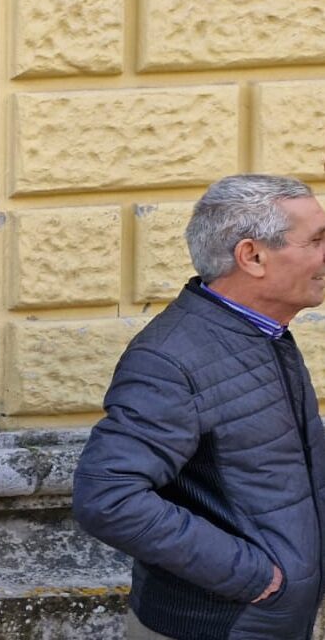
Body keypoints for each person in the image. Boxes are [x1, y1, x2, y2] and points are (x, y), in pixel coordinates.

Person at [74, 174, 325, 640]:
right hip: (215, 625)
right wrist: (254, 576)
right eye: (315, 240)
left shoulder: (263, 333)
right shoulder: (169, 359)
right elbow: (108, 497)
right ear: (252, 256)